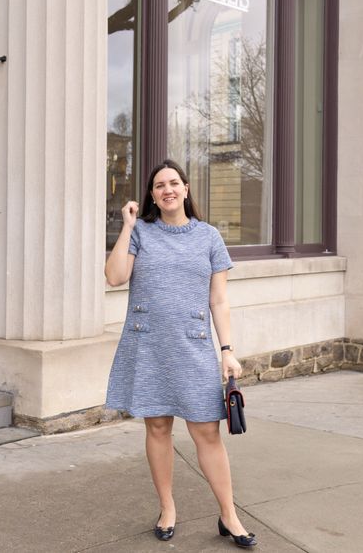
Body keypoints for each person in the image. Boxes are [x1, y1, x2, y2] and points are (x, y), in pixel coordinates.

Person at [105, 159, 257, 549]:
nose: (167, 189)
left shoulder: (208, 237)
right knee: (157, 428)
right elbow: (115, 276)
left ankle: (229, 514)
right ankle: (167, 508)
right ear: (152, 195)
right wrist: (127, 226)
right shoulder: (142, 232)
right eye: (159, 185)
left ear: (186, 189)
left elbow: (219, 300)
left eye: (174, 182)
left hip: (192, 346)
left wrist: (227, 350)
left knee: (207, 431)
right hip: (148, 343)